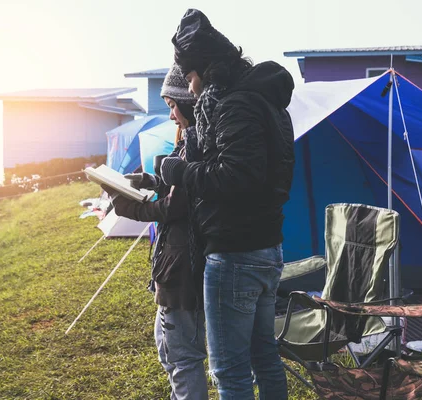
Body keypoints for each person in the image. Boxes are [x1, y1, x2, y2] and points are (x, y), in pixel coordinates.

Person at [159, 9, 296, 400]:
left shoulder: (236, 105)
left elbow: (237, 176)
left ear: (205, 69)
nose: (193, 89)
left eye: (189, 78)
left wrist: (183, 172)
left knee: (230, 371)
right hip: (266, 246)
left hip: (235, 252)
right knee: (264, 356)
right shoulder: (265, 100)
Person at [101, 63, 208, 400]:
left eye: (173, 105)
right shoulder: (191, 140)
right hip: (174, 262)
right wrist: (144, 180)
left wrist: (130, 207)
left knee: (183, 359)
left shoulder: (197, 143)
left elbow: (177, 206)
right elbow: (175, 186)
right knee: (169, 350)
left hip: (183, 266)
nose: (172, 115)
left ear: (188, 102)